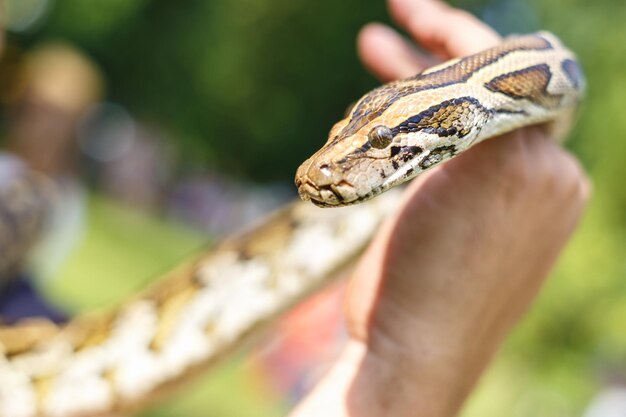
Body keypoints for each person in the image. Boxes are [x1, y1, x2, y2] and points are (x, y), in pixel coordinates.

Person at [290, 0, 590, 416]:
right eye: (343, 134)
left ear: (460, 114)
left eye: (378, 142)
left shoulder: (480, 101)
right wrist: (397, 359)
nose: (320, 170)